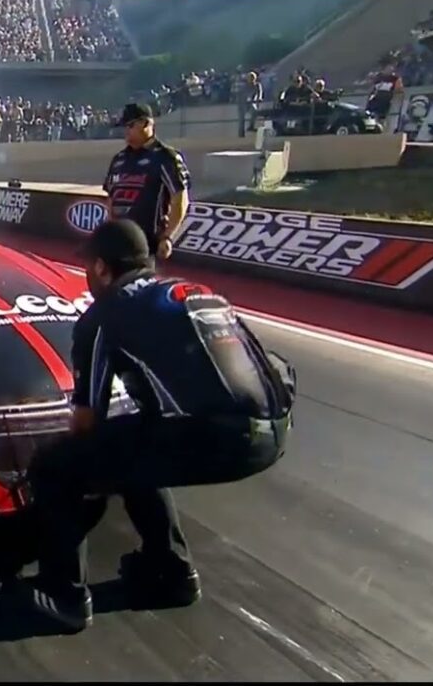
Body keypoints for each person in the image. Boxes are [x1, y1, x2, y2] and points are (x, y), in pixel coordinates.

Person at [17, 219, 296, 633]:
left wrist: (40, 446)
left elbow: (88, 418)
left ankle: (65, 595)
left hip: (214, 437)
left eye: (88, 267)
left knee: (56, 468)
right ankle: (172, 572)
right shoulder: (196, 292)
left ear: (100, 269)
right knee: (138, 441)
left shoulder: (104, 315)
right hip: (275, 429)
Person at [103, 104, 191, 261]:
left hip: (147, 244)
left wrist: (168, 237)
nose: (126, 131)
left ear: (146, 124)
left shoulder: (166, 158)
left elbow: (180, 198)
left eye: (130, 125)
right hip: (118, 242)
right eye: (124, 127)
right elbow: (111, 199)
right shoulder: (118, 159)